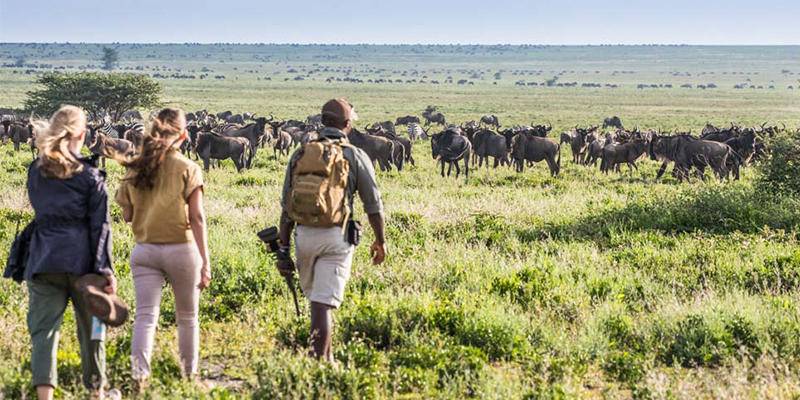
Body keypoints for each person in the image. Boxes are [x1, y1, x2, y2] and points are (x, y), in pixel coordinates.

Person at [278, 98, 387, 361]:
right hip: (336, 236)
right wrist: (380, 240)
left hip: (303, 236)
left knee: (318, 301)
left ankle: (325, 360)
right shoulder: (355, 155)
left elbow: (286, 206)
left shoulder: (301, 153)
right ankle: (319, 366)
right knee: (322, 304)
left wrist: (282, 247)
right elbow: (373, 204)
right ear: (347, 125)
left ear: (322, 121)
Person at [115, 108, 211, 390]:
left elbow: (127, 216)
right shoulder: (188, 168)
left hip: (145, 251)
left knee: (145, 316)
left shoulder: (134, 168)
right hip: (182, 249)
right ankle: (189, 377)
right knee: (188, 318)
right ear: (183, 135)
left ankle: (139, 377)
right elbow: (197, 218)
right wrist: (206, 261)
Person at [25, 105, 116, 400]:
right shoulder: (91, 176)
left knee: (43, 333)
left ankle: (44, 396)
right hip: (83, 264)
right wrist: (105, 270)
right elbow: (100, 227)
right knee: (93, 330)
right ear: (82, 133)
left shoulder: (36, 171)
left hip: (43, 258)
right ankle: (96, 393)